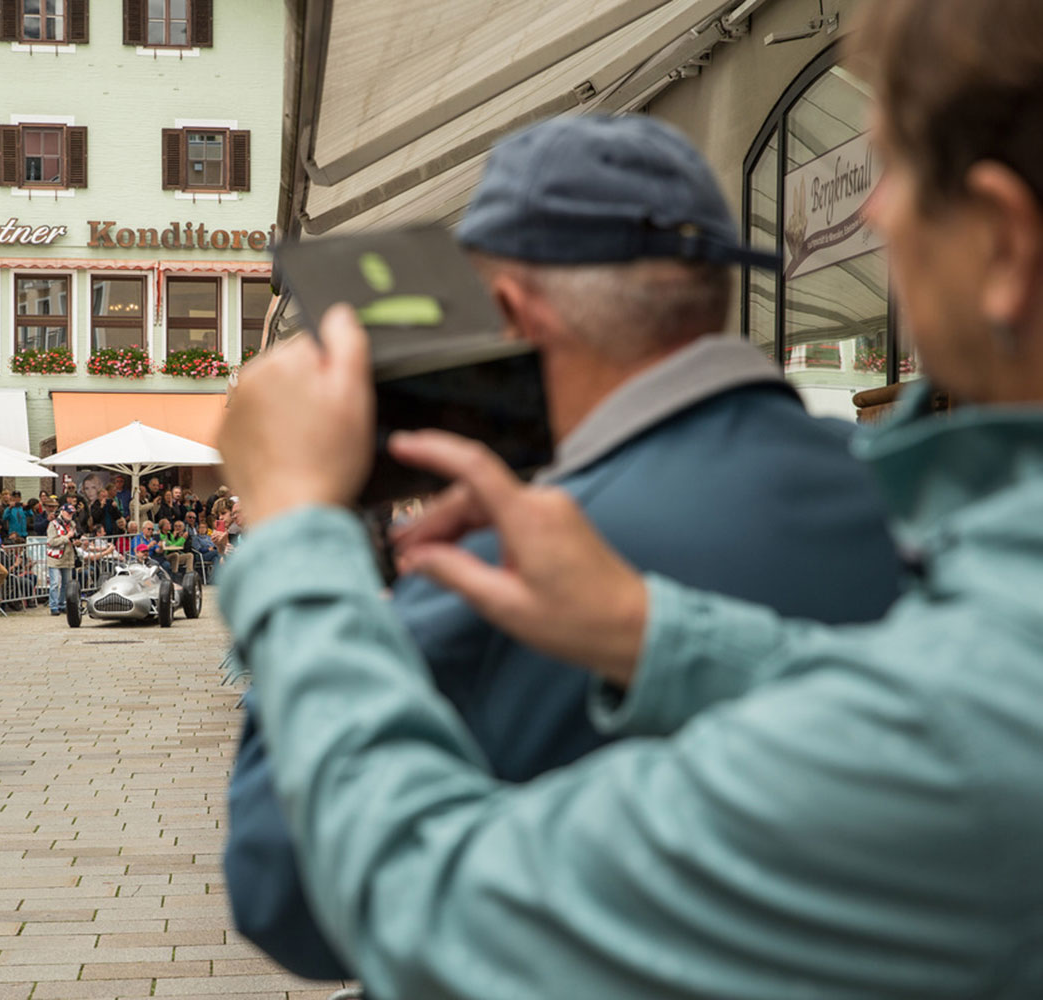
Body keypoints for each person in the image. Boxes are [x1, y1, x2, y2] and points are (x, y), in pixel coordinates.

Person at [215, 4, 1043, 995]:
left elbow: (335, 891)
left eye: (893, 167)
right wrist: (652, 634)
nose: (875, 214)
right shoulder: (918, 516)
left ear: (1002, 242)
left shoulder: (487, 578)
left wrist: (304, 527)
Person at [45, 504, 78, 616]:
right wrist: (67, 537)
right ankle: (53, 606)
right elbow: (51, 542)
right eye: (69, 512)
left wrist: (76, 542)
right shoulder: (53, 524)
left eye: (72, 513)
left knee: (66, 583)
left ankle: (62, 604)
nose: (70, 515)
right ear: (62, 512)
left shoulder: (72, 524)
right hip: (55, 557)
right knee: (54, 583)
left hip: (68, 557)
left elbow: (73, 538)